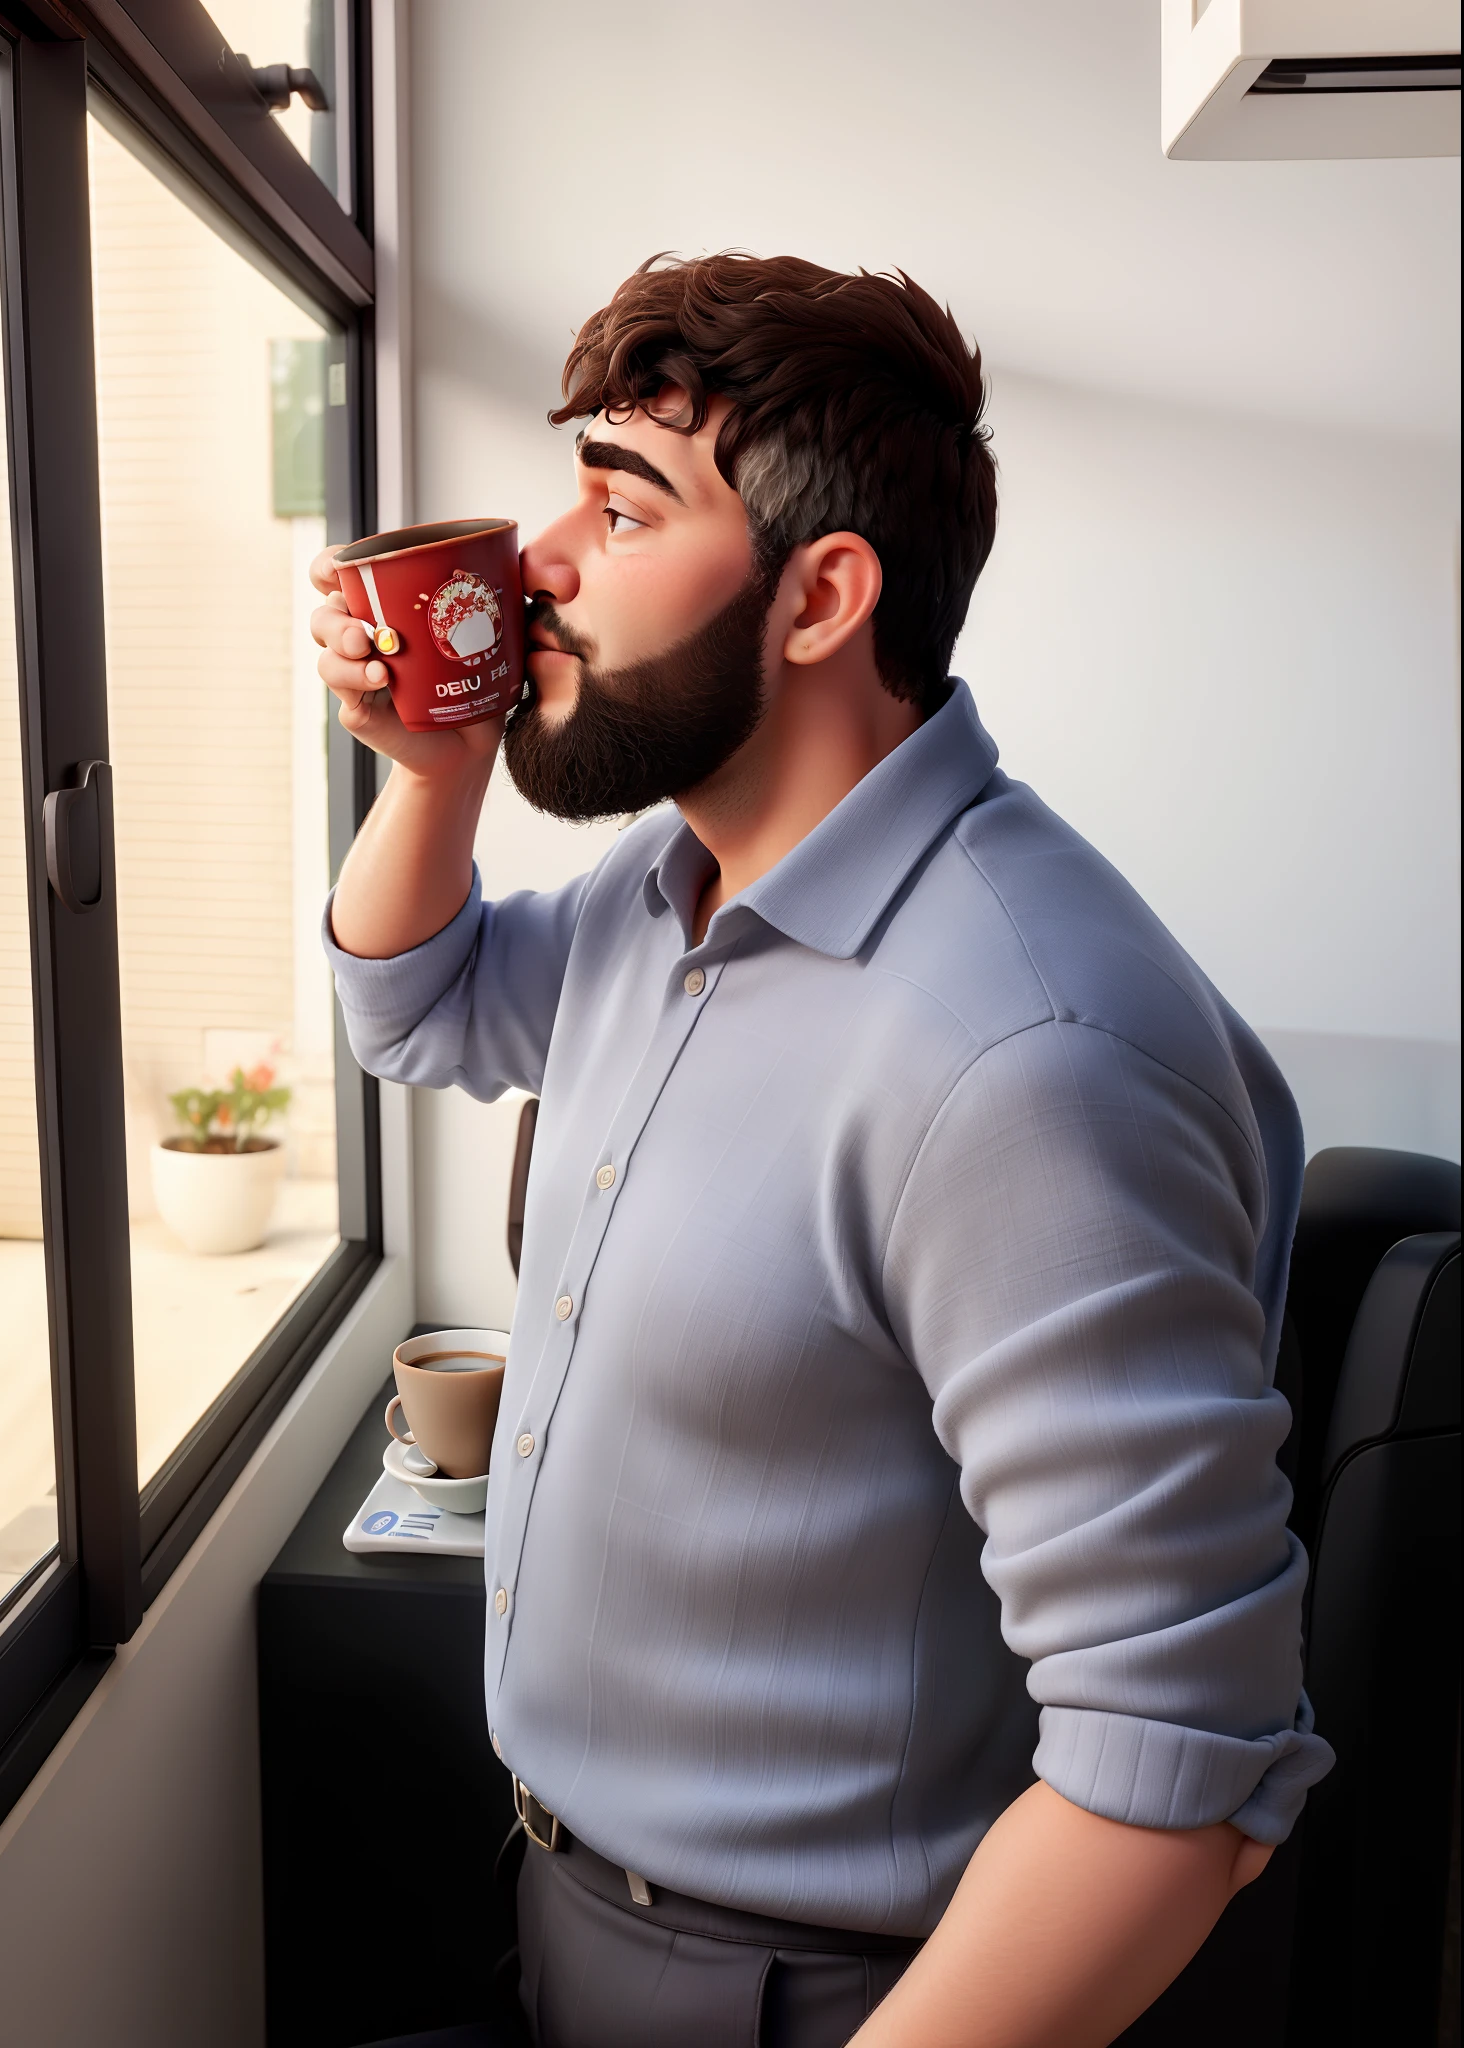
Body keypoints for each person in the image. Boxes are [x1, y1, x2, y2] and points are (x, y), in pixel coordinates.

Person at [310, 253, 1332, 2048]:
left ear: (819, 598)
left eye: (623, 509)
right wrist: (433, 768)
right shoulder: (669, 889)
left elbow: (1175, 1774)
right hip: (568, 1901)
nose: (542, 559)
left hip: (825, 1993)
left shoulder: (1028, 1054)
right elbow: (419, 1009)